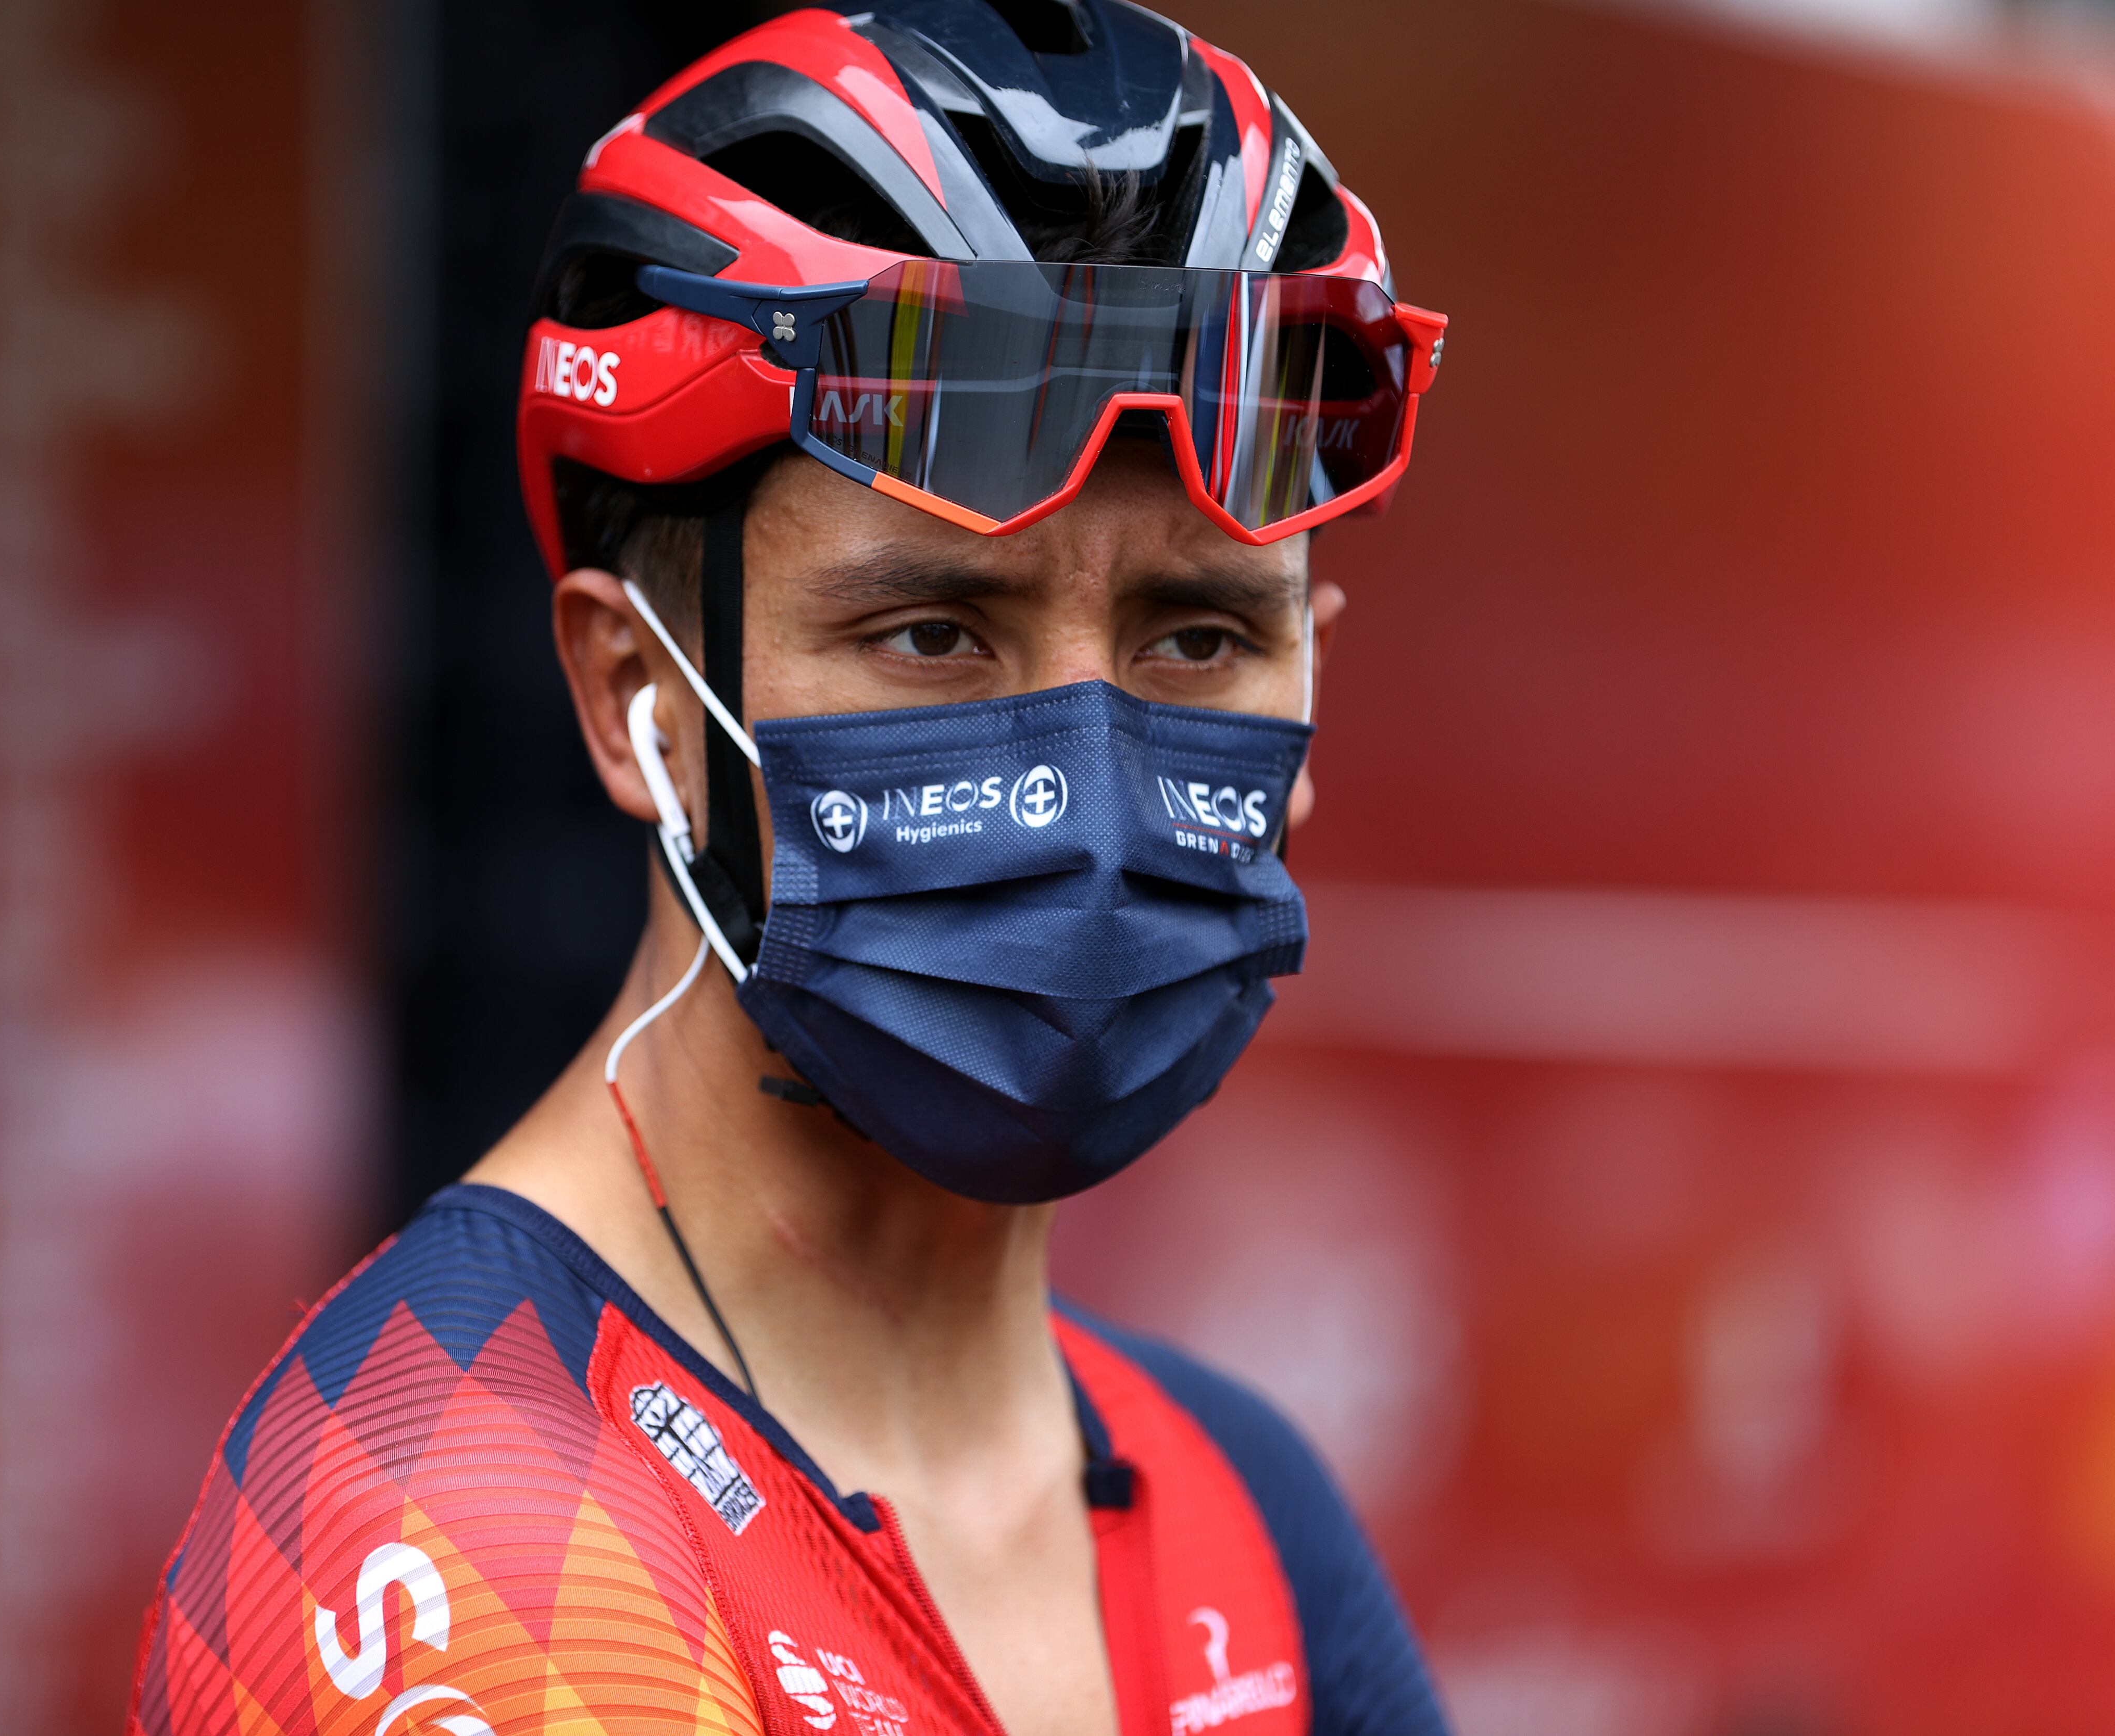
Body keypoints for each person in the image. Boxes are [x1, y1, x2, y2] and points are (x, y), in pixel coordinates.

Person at [129, 4, 1450, 1733]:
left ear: (1315, 671)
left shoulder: (1244, 1510)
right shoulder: (463, 1523)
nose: (1091, 771)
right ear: (634, 700)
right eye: (932, 630)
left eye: (1196, 636)